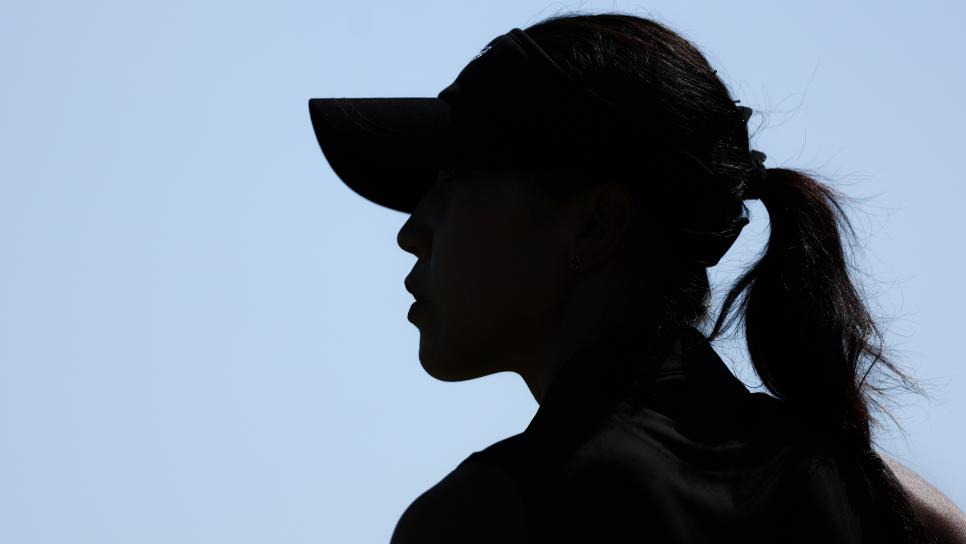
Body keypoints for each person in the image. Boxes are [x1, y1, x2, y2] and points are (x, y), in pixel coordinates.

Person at [307, 12, 966, 544]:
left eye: (450, 184)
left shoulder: (489, 519)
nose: (410, 230)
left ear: (594, 226)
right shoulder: (892, 505)